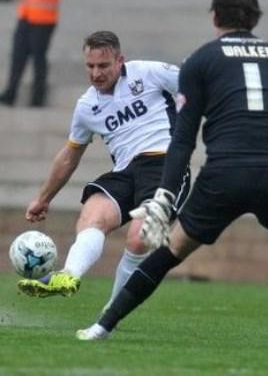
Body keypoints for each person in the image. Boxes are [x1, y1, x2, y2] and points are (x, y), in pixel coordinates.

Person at [76, 0, 268, 348]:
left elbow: (182, 138)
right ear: (256, 17)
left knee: (168, 252)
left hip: (226, 174)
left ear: (214, 17)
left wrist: (164, 198)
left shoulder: (201, 60)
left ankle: (102, 326)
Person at [17, 31, 190, 312]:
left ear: (120, 61)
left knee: (139, 237)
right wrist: (43, 197)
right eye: (90, 66)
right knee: (93, 214)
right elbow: (70, 155)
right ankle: (68, 277)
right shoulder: (87, 106)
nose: (96, 73)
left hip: (165, 164)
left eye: (103, 66)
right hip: (125, 170)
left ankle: (113, 309)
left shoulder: (149, 72)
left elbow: (194, 83)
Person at [0, 0, 65, 107]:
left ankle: (38, 97)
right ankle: (11, 92)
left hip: (44, 22)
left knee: (38, 58)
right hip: (25, 19)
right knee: (18, 57)